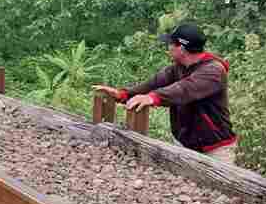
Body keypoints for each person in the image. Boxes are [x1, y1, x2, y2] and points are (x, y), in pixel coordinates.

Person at [93, 21, 239, 163]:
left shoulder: (213, 71)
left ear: (181, 48)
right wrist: (122, 95)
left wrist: (153, 98)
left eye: (170, 44)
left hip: (215, 149)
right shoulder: (177, 68)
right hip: (184, 143)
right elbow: (152, 84)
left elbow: (184, 89)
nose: (168, 47)